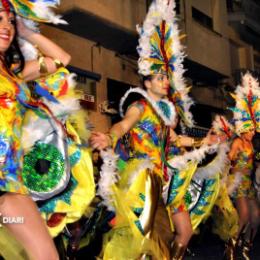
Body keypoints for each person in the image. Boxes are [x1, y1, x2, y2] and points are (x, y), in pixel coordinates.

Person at [90, 1, 225, 258]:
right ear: (146, 81)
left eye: (167, 78)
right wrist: (109, 136)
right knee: (145, 238)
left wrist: (203, 141)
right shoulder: (140, 106)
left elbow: (176, 140)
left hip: (166, 179)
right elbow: (123, 124)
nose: (165, 83)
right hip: (144, 179)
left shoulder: (167, 115)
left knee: (184, 232)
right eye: (160, 78)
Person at [0, 0, 71, 259]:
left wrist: (28, 32)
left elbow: (62, 59)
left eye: (9, 21)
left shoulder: (14, 73)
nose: (6, 26)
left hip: (10, 184)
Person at [224, 72, 260, 260]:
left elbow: (253, 162)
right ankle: (230, 246)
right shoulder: (238, 142)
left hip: (249, 184)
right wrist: (234, 166)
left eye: (255, 129)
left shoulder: (251, 144)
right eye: (251, 129)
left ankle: (246, 245)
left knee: (256, 217)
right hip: (238, 182)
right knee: (244, 215)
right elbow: (228, 160)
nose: (253, 132)